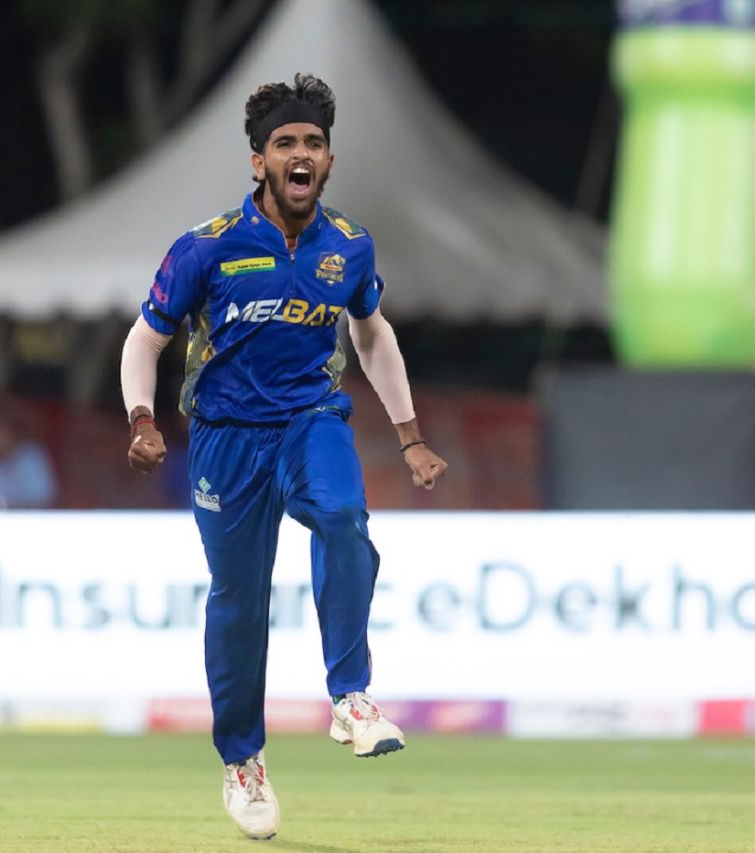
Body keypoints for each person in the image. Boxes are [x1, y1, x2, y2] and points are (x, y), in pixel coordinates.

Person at [119, 72, 447, 841]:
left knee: (342, 514)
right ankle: (244, 762)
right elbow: (145, 338)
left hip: (310, 418)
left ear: (328, 161)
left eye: (314, 143)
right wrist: (141, 417)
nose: (301, 155)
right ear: (259, 161)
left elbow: (371, 333)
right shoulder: (207, 247)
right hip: (225, 437)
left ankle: (351, 698)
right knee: (239, 603)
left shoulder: (349, 246)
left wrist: (409, 433)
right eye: (285, 144)